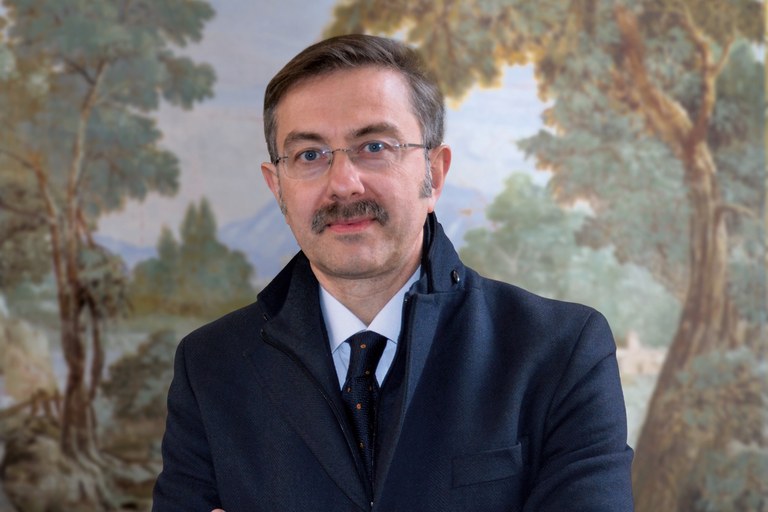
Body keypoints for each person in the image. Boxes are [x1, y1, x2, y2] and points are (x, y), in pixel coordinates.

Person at [152, 34, 634, 512]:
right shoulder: (210, 367)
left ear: (434, 175)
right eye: (309, 155)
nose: (343, 183)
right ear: (277, 187)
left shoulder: (561, 352)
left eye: (374, 146)